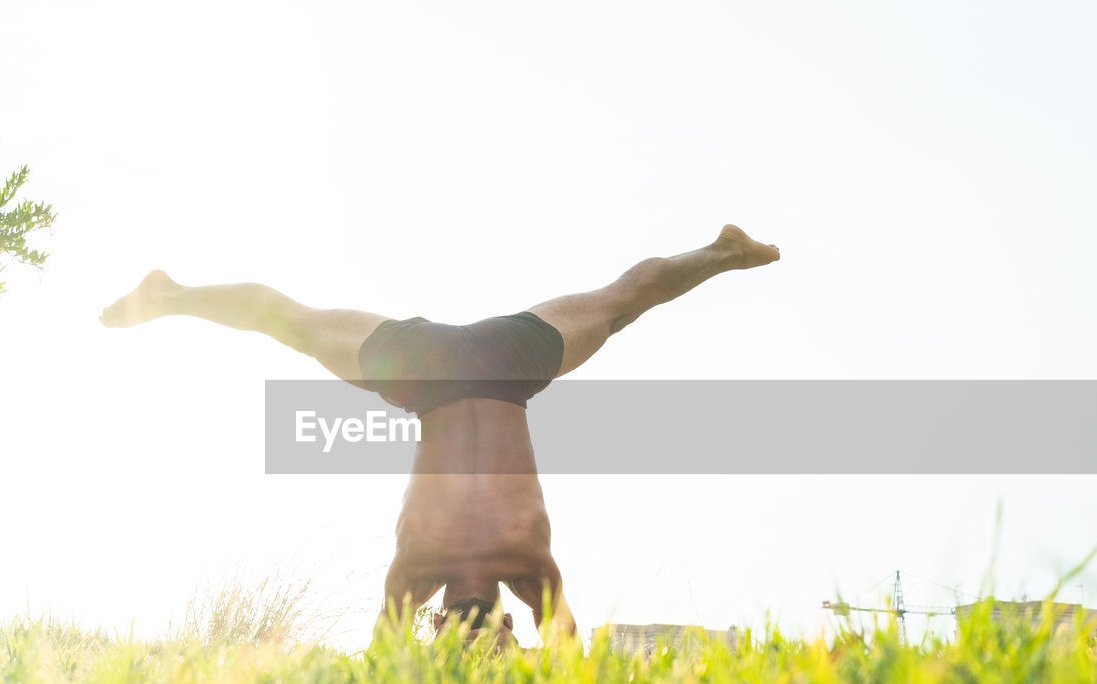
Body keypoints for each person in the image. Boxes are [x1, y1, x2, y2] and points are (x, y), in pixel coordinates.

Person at [100, 225, 780, 646]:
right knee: (293, 321)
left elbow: (556, 664)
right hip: (464, 370)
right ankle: (173, 295)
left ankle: (722, 250)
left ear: (504, 624)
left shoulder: (483, 571)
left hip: (467, 370)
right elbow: (559, 665)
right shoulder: (463, 575)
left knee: (619, 302)